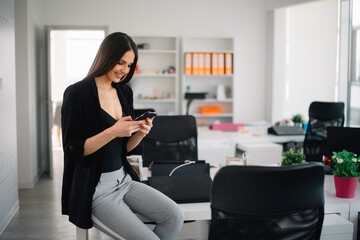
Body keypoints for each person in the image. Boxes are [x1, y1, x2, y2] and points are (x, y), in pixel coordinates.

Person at [61, 32, 184, 240]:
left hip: (124, 180)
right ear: (106, 56)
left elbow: (125, 148)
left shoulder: (124, 92)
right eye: (120, 62)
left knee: (175, 216)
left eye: (129, 65)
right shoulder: (77, 93)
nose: (124, 70)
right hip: (96, 190)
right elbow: (72, 150)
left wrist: (140, 133)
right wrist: (112, 131)